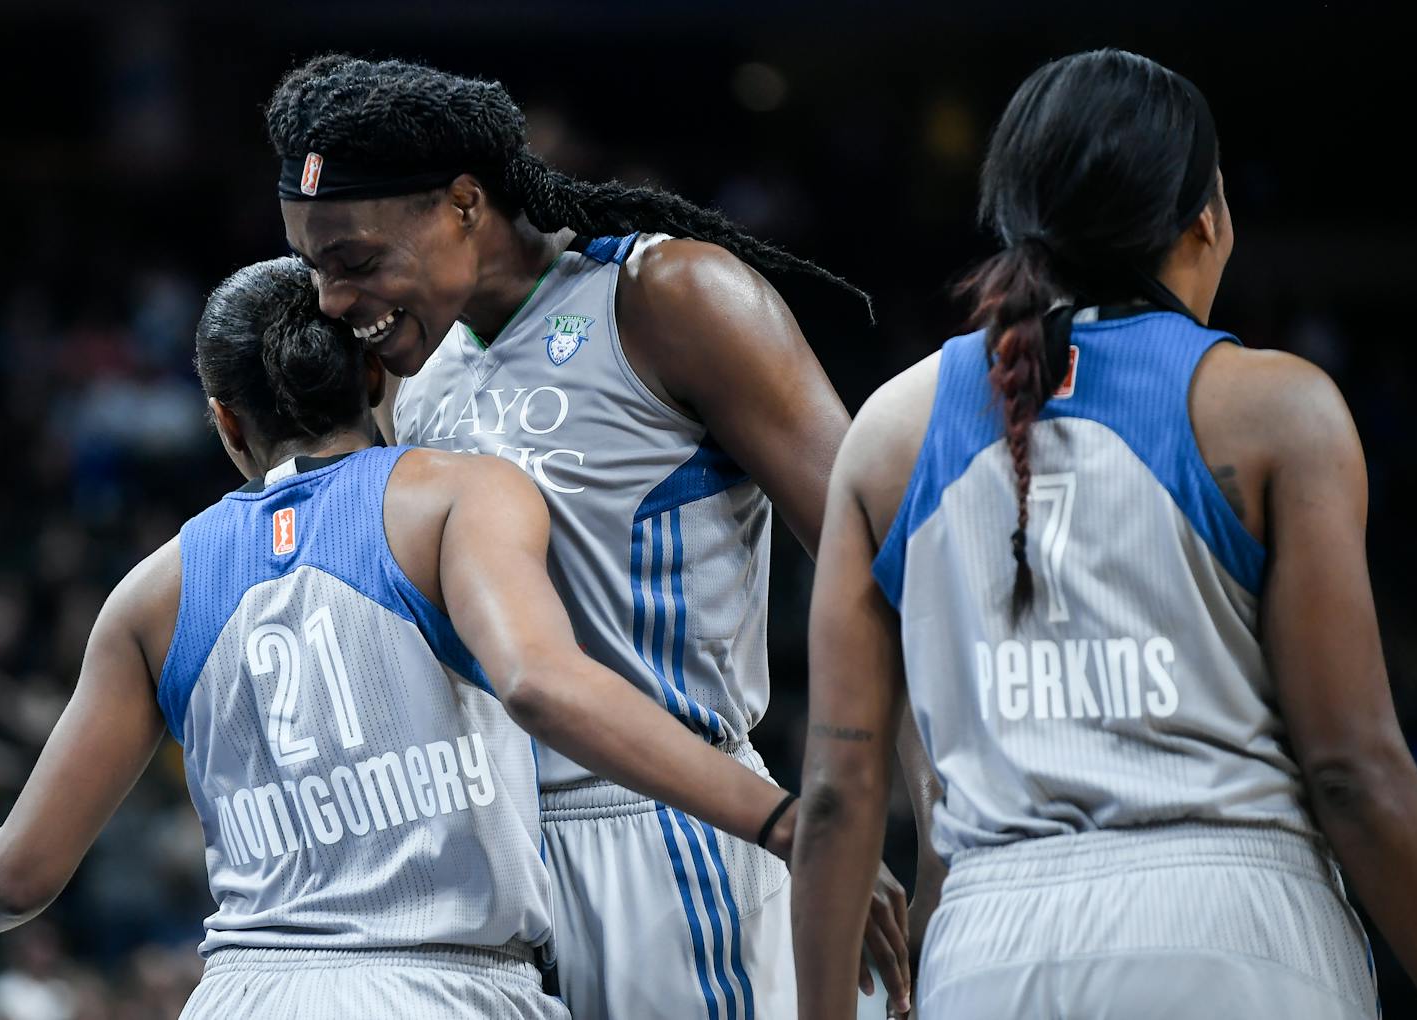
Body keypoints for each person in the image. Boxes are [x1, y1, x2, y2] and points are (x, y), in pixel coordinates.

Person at [266, 54, 934, 1019]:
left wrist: (889, 826)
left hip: (671, 837)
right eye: (315, 266)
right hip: (484, 866)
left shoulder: (669, 297)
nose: (332, 301)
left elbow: (882, 574)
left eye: (358, 262)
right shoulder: (419, 372)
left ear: (463, 203)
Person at [0, 257, 815, 1018]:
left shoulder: (149, 595)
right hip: (442, 984)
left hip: (240, 993)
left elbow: (17, 873)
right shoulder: (458, 498)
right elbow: (543, 682)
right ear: (375, 372)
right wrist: (785, 820)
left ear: (227, 424)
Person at [791, 48, 1417, 1019]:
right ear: (1204, 220)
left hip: (991, 948)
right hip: (1238, 935)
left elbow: (837, 796)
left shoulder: (888, 430)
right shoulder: (1276, 409)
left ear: (1017, 225)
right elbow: (1353, 774)